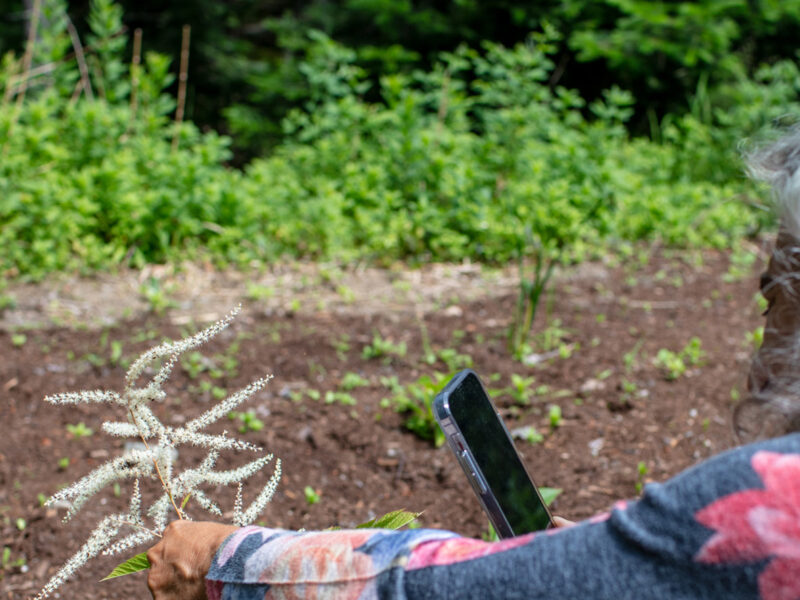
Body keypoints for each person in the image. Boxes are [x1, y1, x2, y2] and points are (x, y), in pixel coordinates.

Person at [147, 134, 800, 600]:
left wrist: (222, 562)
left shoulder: (769, 500)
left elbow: (446, 589)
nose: (762, 318)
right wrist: (603, 561)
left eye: (774, 291)